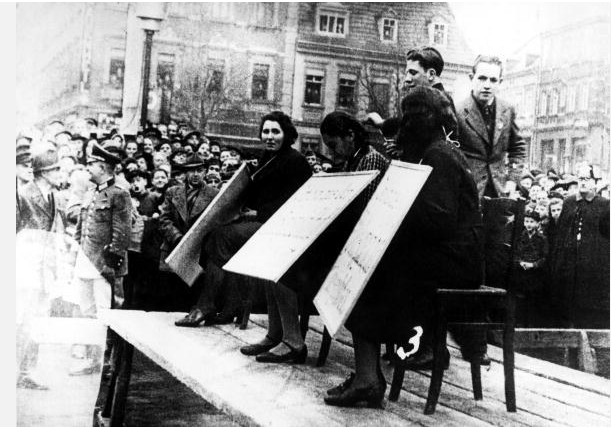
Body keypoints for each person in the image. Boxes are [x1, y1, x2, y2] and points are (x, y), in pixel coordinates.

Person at [325, 86, 483, 408]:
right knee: (367, 263)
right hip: (445, 256)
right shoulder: (435, 152)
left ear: (422, 120)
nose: (403, 127)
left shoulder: (440, 155)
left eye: (408, 119)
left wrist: (393, 216)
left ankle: (368, 378)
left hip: (455, 262)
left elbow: (438, 221)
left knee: (368, 272)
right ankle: (367, 375)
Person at [184, 112, 312, 363]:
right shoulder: (268, 158)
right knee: (266, 276)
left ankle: (293, 342)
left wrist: (258, 212)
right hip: (267, 226)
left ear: (287, 134)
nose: (269, 136)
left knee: (221, 239)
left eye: (275, 131)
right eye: (265, 131)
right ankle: (275, 335)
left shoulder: (295, 160)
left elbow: (298, 200)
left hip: (285, 230)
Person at [69, 141, 132, 375]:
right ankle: (92, 360)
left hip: (104, 265)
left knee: (105, 312)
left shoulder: (119, 195)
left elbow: (122, 234)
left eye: (93, 164)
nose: (88, 168)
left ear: (104, 167)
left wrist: (109, 265)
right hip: (86, 262)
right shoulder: (91, 191)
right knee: (86, 310)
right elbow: (81, 226)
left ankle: (106, 362)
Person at [16, 144, 66, 389]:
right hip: (25, 268)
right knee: (22, 320)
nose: (60, 174)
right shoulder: (22, 194)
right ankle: (19, 371)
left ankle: (27, 371)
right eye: (56, 170)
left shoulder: (53, 195)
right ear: (44, 172)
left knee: (36, 321)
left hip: (44, 269)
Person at [548, 164, 610, 328]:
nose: (582, 182)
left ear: (594, 182)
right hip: (568, 264)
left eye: (586, 179)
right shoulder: (568, 202)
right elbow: (561, 233)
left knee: (587, 307)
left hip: (591, 266)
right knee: (567, 304)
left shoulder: (604, 205)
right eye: (580, 178)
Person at [456, 55, 526, 199]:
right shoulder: (458, 112)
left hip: (499, 193)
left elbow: (518, 149)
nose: (487, 85)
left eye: (493, 80)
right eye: (482, 78)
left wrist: (512, 180)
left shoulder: (507, 110)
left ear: (500, 82)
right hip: (468, 193)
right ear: (471, 78)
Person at [158, 155, 220, 311]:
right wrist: (178, 237)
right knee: (171, 297)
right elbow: (164, 219)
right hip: (174, 250)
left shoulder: (214, 194)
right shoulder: (172, 192)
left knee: (193, 296)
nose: (196, 174)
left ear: (205, 172)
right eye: (192, 171)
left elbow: (217, 222)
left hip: (198, 253)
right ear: (185, 173)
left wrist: (196, 240)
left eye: (200, 170)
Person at [513, 210, 548, 327]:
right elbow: (514, 253)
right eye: (526, 221)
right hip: (521, 274)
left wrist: (534, 265)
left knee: (533, 301)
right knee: (520, 300)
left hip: (535, 276)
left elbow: (545, 257)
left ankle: (532, 325)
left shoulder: (542, 239)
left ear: (537, 223)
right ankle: (519, 324)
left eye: (531, 222)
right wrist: (520, 263)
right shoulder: (519, 237)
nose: (528, 224)